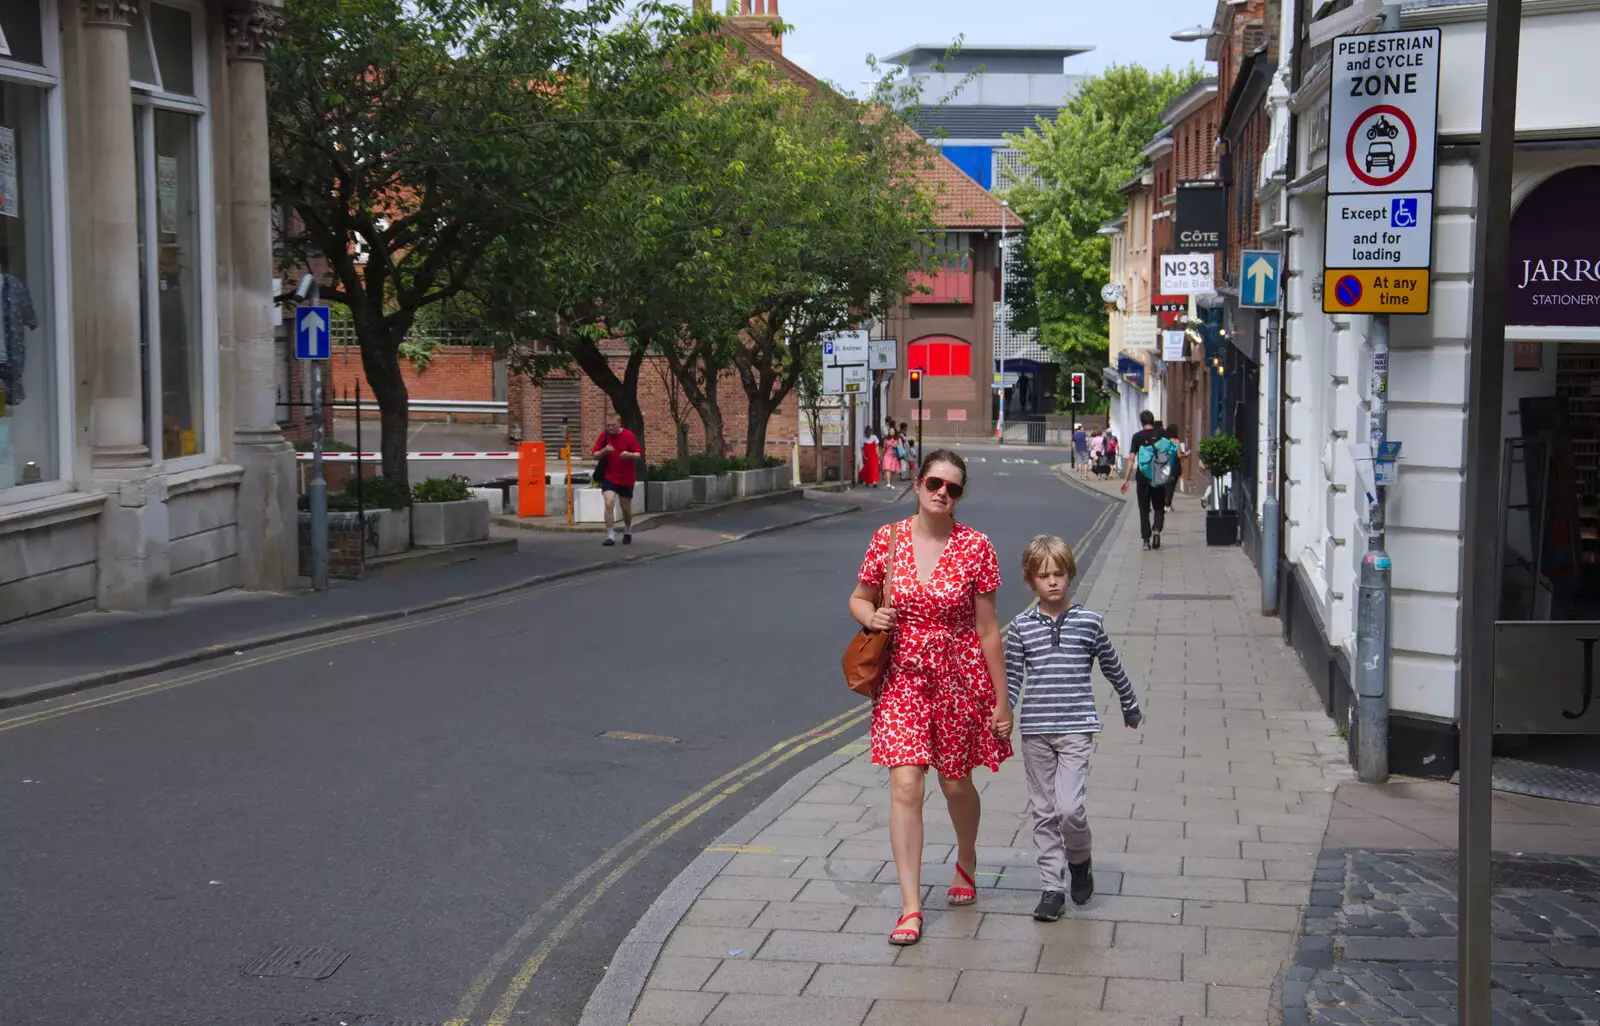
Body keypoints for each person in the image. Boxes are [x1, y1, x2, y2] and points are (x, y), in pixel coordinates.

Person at [849, 451, 1012, 946]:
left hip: (960, 678)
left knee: (956, 784)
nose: (943, 492)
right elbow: (859, 596)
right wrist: (869, 616)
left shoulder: (976, 547)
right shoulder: (888, 539)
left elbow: (988, 631)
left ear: (960, 496)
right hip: (901, 677)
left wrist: (1002, 702)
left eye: (954, 488)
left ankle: (966, 858)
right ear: (918, 484)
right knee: (905, 787)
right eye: (935, 483)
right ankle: (910, 906)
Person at [1005, 535, 1142, 921]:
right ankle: (1052, 888)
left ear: (1070, 576)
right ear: (1031, 580)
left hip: (1076, 729)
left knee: (1069, 808)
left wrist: (1130, 705)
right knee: (1044, 811)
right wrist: (1003, 713)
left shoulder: (1089, 624)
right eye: (1043, 575)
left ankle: (1080, 860)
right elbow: (1013, 677)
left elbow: (1114, 667)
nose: (1052, 582)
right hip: (1035, 731)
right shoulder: (1019, 628)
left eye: (1059, 574)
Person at [1120, 410, 1174, 549]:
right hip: (1158, 475)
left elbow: (1132, 458)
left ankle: (1145, 540)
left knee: (1144, 509)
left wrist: (1126, 479)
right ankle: (1157, 530)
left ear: (1141, 422)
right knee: (1158, 507)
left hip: (1143, 477)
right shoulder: (1162, 434)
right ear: (1152, 420)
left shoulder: (1137, 437)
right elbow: (1169, 452)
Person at [591, 415, 642, 546]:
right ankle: (610, 535)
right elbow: (595, 455)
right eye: (608, 425)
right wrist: (604, 450)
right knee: (609, 503)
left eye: (613, 425)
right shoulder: (605, 436)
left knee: (625, 508)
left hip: (626, 477)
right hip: (609, 476)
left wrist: (628, 455)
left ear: (619, 424)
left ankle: (628, 530)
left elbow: (638, 454)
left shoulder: (629, 435)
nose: (610, 428)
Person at [1164, 424, 1185, 511]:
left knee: (1166, 485)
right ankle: (1167, 504)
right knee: (1172, 487)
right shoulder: (1176, 441)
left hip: (1166, 466)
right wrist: (1186, 454)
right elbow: (1179, 455)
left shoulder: (1165, 441)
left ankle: (1166, 503)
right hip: (1175, 466)